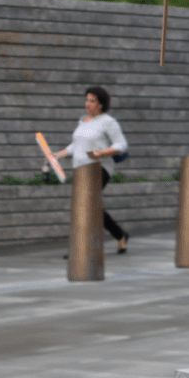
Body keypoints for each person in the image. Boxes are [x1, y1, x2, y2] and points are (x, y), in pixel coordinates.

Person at [49, 86, 131, 254]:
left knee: (85, 204)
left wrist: (102, 153)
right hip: (81, 170)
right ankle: (120, 235)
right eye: (87, 100)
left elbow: (121, 144)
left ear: (101, 104)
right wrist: (59, 155)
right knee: (91, 206)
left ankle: (79, 248)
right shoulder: (83, 121)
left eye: (92, 101)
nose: (88, 103)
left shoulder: (107, 121)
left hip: (99, 168)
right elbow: (75, 145)